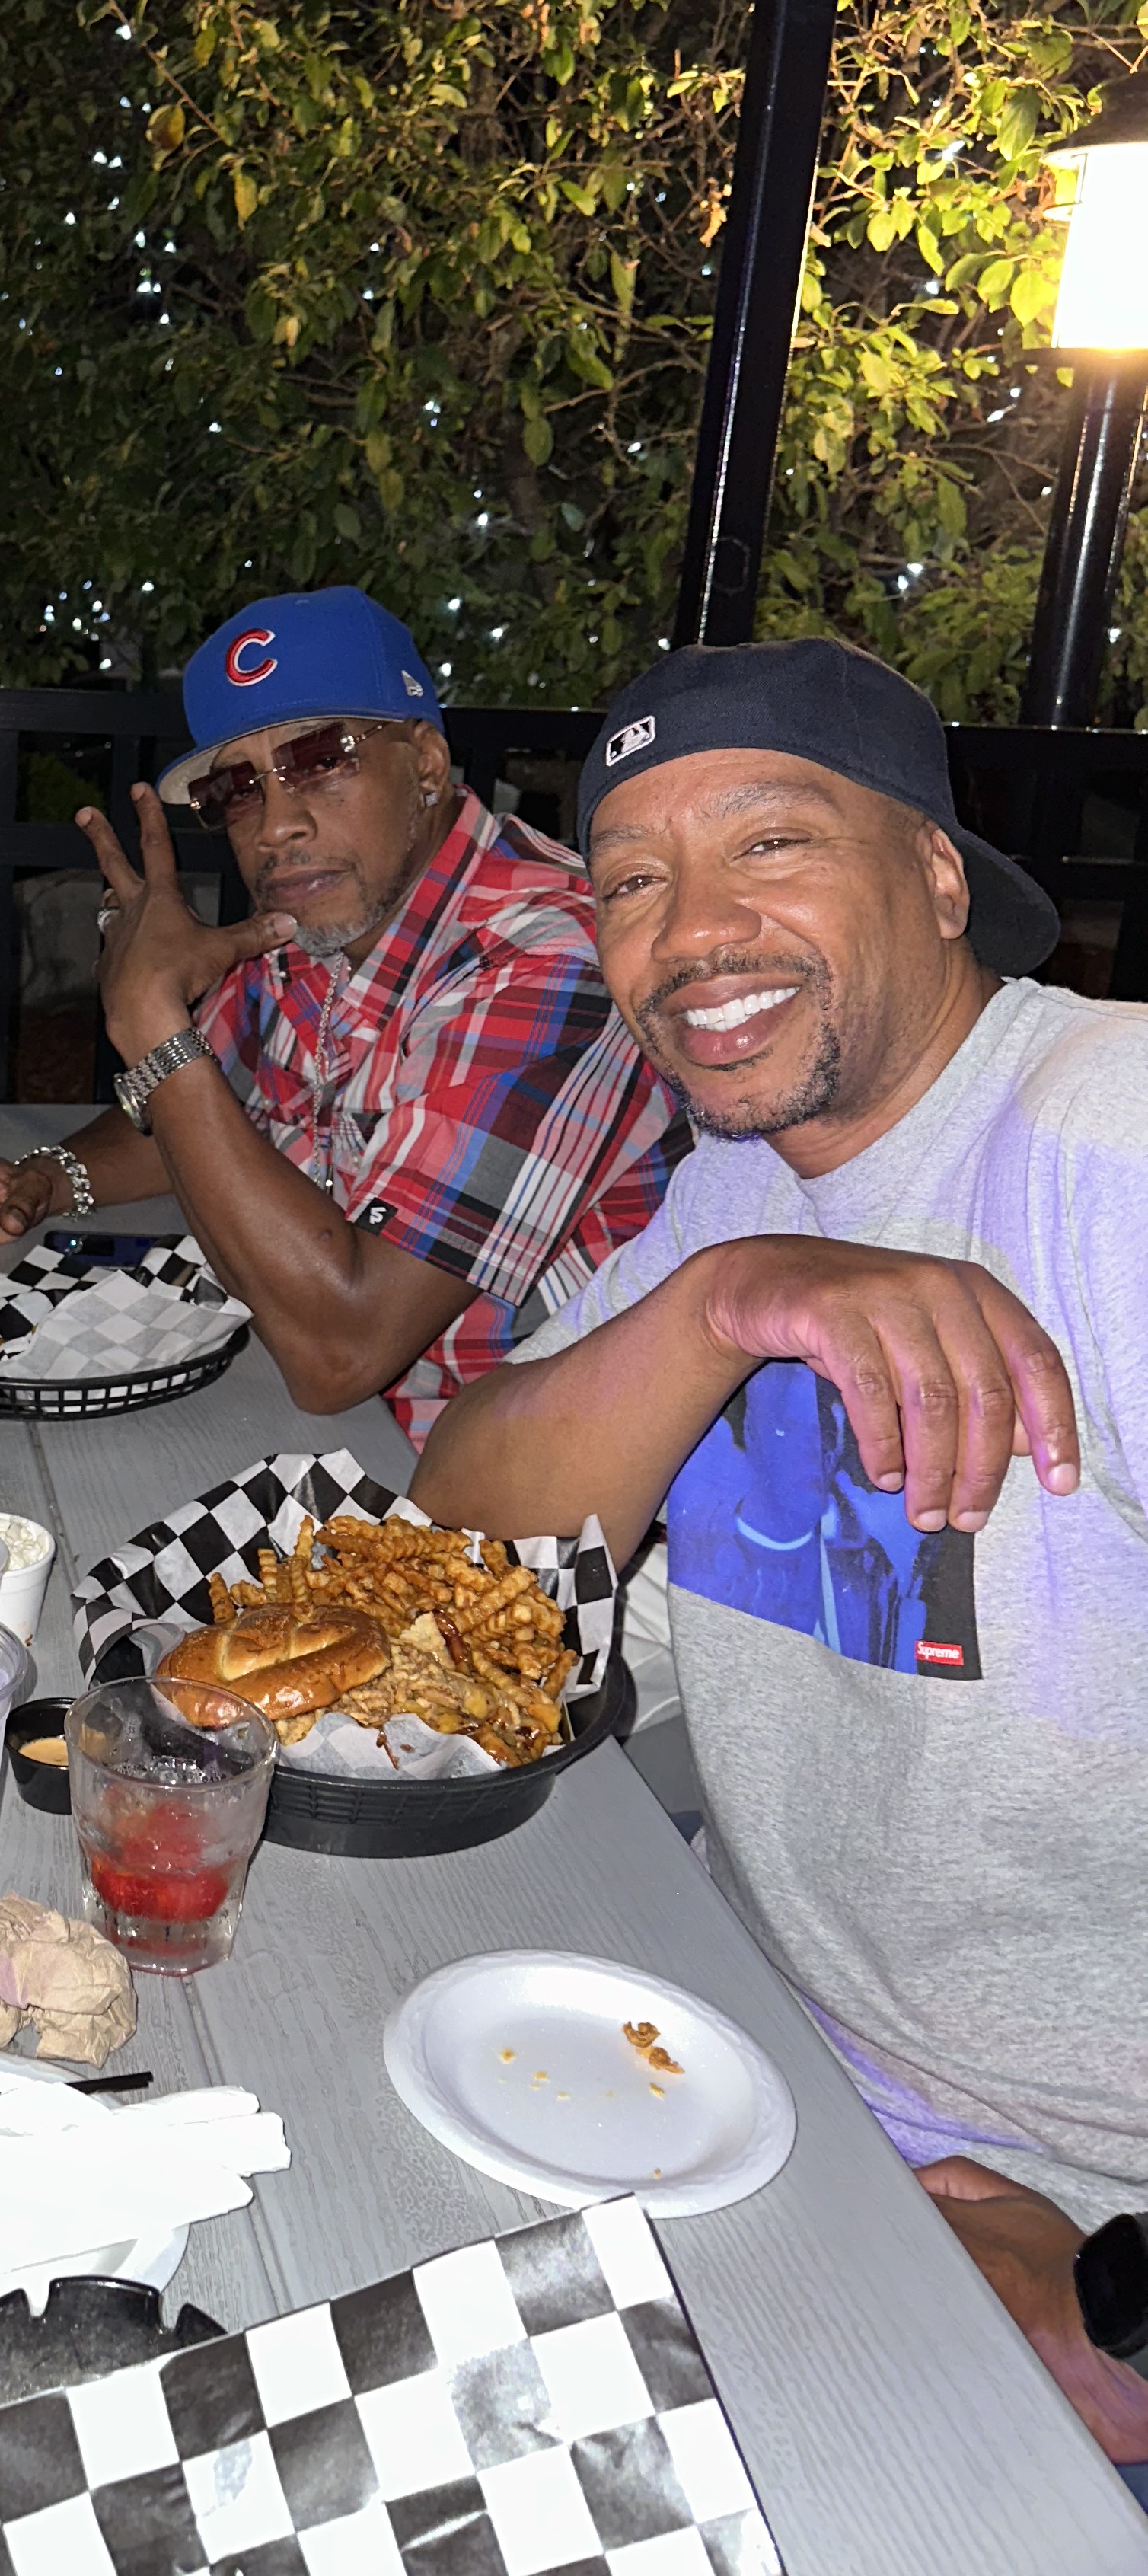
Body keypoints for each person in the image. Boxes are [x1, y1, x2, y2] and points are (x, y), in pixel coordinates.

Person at [412, 634, 1148, 2479]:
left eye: (770, 843)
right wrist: (727, 1302)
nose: (692, 933)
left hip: (1063, 2203)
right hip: (736, 2045)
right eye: (632, 882)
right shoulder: (736, 1192)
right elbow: (464, 1558)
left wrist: (1136, 2294)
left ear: (940, 874)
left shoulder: (1110, 1143)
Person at [0, 587, 681, 1448]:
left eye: (321, 759)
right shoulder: (313, 927)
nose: (277, 825)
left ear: (427, 764)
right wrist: (44, 1180)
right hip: (324, 1415)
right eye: (237, 789)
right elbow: (198, 1112)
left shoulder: (551, 963)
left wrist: (151, 1021)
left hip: (508, 1471)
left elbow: (339, 1354)